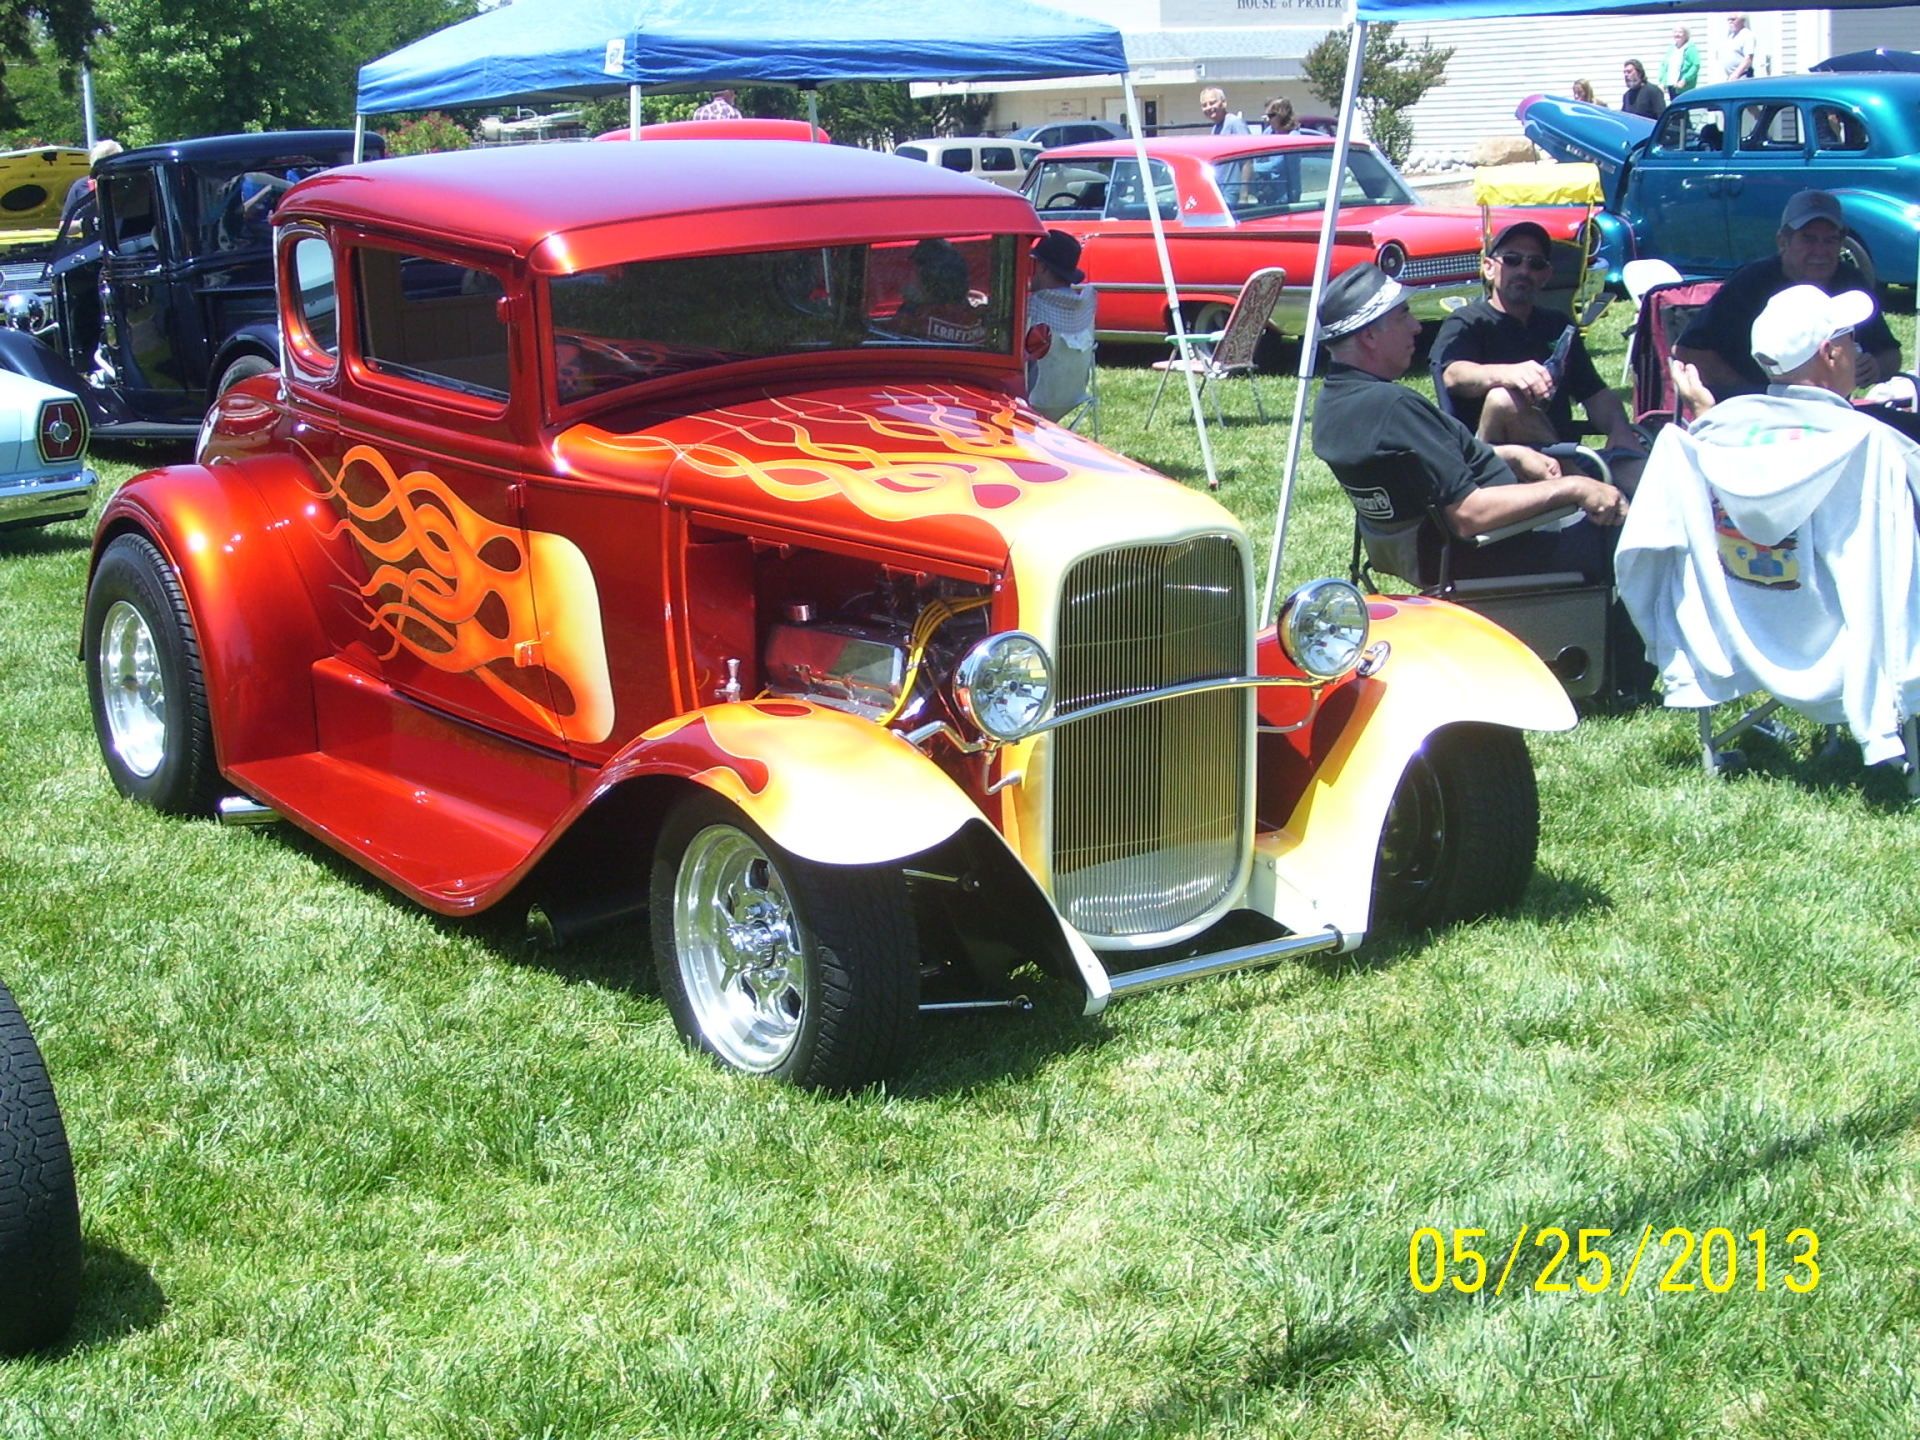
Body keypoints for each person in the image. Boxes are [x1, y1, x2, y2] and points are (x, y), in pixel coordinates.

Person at [1624, 287, 1920, 762]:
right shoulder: (1869, 446)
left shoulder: (1708, 436)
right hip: (1847, 638)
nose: (1858, 349)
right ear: (1830, 353)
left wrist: (1704, 411)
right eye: (1851, 338)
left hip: (1737, 625)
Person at [1312, 262, 1629, 588]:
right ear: (1369, 336)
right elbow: (1469, 515)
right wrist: (1575, 488)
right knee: (1636, 538)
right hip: (1494, 549)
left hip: (1435, 553)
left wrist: (1510, 455)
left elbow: (1430, 471)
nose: (1416, 327)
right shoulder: (1392, 407)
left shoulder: (1333, 406)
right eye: (1403, 315)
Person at [1432, 220, 1647, 489]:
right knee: (1504, 399)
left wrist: (1620, 429)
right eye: (1512, 260)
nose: (1523, 270)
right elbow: (1453, 374)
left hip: (1565, 454)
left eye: (1535, 264)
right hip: (1498, 468)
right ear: (1489, 268)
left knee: (1648, 478)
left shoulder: (1556, 325)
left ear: (1546, 275)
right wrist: (1506, 374)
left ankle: (1585, 486)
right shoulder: (1467, 322)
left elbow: (1595, 393)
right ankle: (1583, 488)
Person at [1673, 189, 1901, 400]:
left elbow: (1891, 354)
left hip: (1829, 411)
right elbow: (1687, 352)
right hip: (1752, 410)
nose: (1820, 251)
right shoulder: (1750, 283)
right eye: (1808, 239)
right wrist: (1755, 395)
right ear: (1783, 241)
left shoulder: (1849, 282)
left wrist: (1876, 367)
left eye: (1830, 240)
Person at [1025, 231, 1097, 422]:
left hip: (1031, 401)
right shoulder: (1083, 305)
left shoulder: (1033, 307)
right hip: (1072, 397)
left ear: (1041, 267)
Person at [894, 237, 985, 345]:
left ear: (930, 280)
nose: (905, 278)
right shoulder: (978, 317)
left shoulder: (914, 320)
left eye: (913, 271)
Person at [59, 137, 122, 229]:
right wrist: (84, 224)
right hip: (94, 238)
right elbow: (64, 226)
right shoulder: (80, 187)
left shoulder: (130, 183)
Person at [1659, 26, 1701, 99]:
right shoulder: (1671, 48)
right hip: (1671, 85)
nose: (1677, 34)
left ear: (1686, 34)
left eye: (1680, 32)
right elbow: (1664, 66)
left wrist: (1685, 79)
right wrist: (1662, 82)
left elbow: (1696, 65)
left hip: (1684, 87)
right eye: (1675, 32)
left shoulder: (1690, 48)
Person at [1720, 14, 1756, 81]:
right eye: (1728, 19)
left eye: (1733, 19)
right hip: (1731, 76)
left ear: (1742, 20)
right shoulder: (1731, 36)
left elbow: (1748, 58)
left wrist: (1736, 74)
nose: (1730, 22)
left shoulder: (1747, 35)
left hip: (1742, 76)